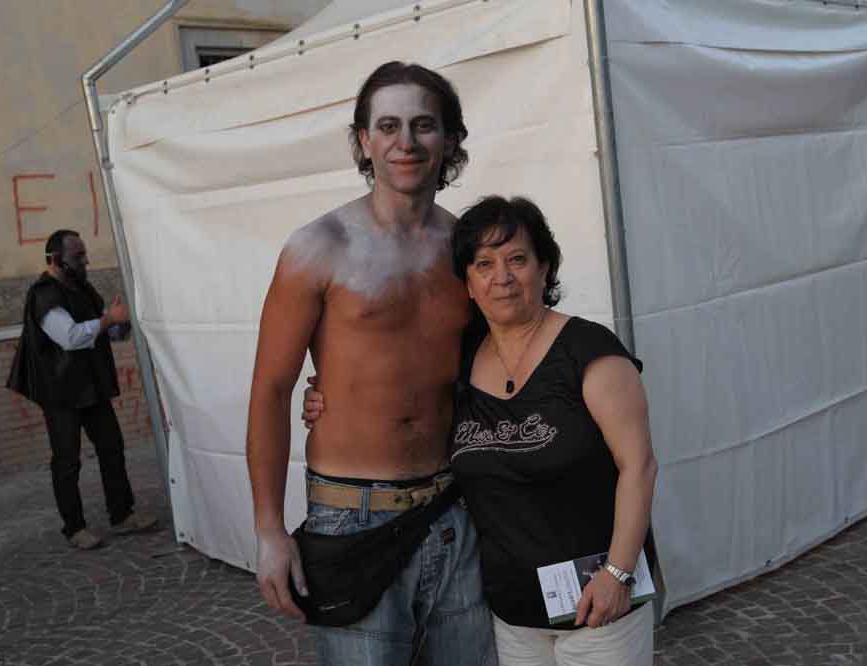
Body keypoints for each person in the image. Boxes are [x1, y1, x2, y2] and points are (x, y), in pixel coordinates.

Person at [305, 196, 658, 665]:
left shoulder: (588, 351)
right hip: (512, 616)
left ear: (545, 268)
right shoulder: (464, 362)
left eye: (518, 259)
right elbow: (398, 399)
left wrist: (618, 572)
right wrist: (328, 398)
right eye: (484, 264)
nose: (502, 277)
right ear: (468, 283)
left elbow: (639, 466)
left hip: (598, 605)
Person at [245, 61, 496, 666]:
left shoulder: (467, 251)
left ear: (451, 139)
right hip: (348, 515)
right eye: (387, 126)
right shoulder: (318, 248)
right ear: (364, 141)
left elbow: (495, 363)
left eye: (423, 125)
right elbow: (271, 390)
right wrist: (269, 530)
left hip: (451, 509)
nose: (405, 142)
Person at [7, 229, 157, 550]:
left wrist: (119, 325)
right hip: (59, 392)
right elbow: (71, 337)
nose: (85, 261)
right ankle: (74, 528)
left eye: (84, 254)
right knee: (67, 460)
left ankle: (122, 514)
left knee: (111, 447)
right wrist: (107, 321)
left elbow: (102, 330)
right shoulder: (44, 295)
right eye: (78, 256)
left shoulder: (83, 289)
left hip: (91, 386)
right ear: (55, 259)